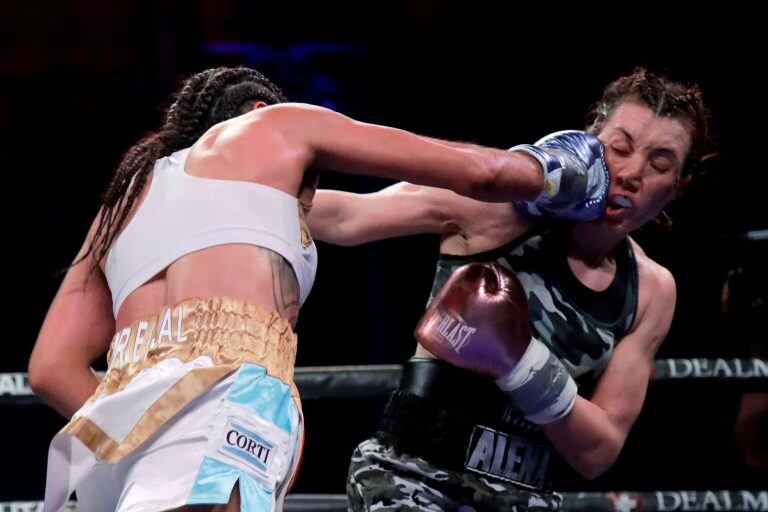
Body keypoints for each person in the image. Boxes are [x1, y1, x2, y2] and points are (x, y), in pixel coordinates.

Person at [27, 66, 564, 512]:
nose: (309, 191)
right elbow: (482, 173)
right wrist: (563, 173)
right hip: (226, 401)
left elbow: (51, 368)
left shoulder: (123, 205)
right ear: (259, 113)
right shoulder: (272, 128)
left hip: (116, 443)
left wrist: (146, 430)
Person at [308, 68, 714, 510]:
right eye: (620, 148)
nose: (632, 172)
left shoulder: (652, 290)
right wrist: (236, 178)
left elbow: (598, 451)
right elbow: (342, 217)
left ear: (678, 186)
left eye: (660, 164)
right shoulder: (497, 207)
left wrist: (520, 362)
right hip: (411, 478)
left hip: (525, 497)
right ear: (590, 138)